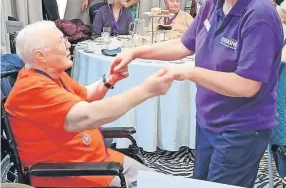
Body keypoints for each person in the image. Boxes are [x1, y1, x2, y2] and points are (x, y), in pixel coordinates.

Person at [110, 0, 284, 188]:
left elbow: (247, 85)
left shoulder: (259, 15)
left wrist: (189, 72)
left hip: (242, 128)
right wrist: (135, 52)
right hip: (209, 120)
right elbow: (184, 45)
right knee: (201, 183)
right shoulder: (214, 4)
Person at [5, 21, 174, 188]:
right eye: (61, 41)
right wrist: (145, 91)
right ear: (40, 55)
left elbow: (85, 96)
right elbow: (89, 115)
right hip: (72, 174)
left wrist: (109, 79)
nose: (68, 44)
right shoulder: (32, 89)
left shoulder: (50, 73)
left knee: (165, 183)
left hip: (98, 160)